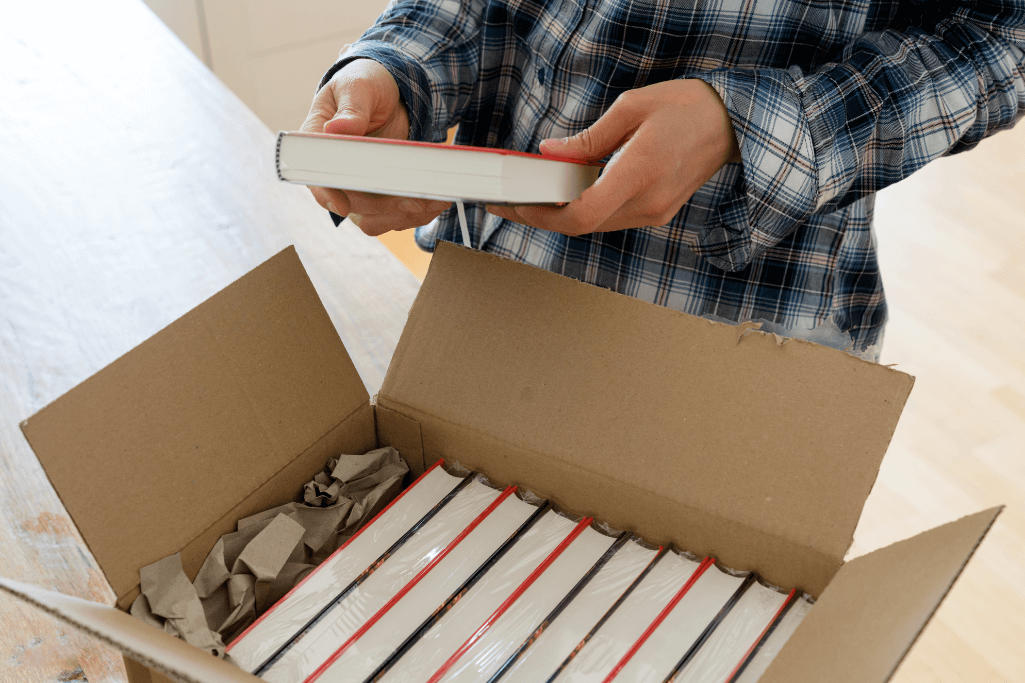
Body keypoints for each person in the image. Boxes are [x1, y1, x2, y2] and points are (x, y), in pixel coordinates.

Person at [301, 0, 1025, 358]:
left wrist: (752, 128)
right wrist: (395, 63)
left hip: (746, 345)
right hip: (488, 298)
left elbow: (1006, 35)